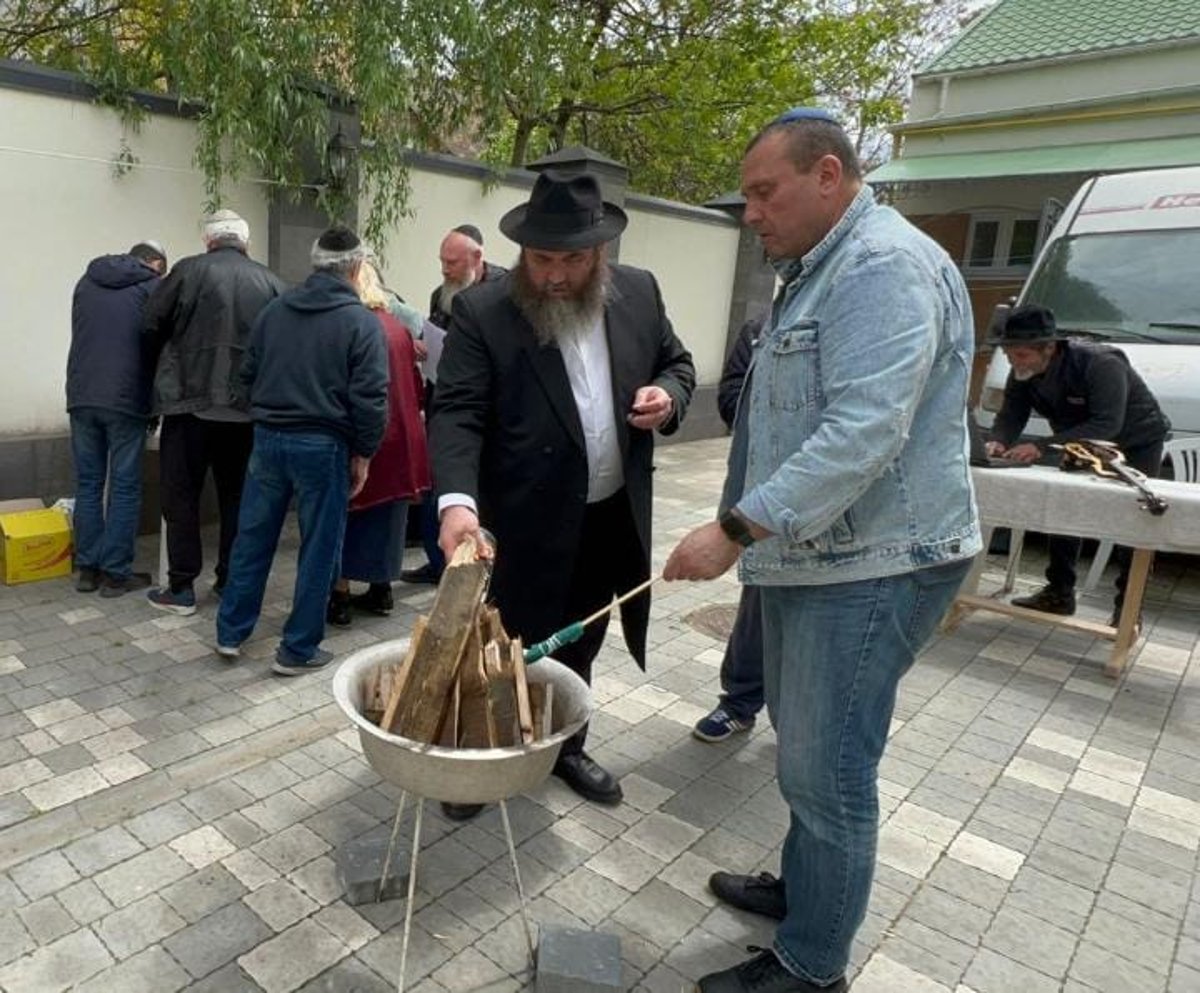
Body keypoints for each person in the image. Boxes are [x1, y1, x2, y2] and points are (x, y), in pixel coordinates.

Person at [663, 107, 980, 993]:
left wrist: (730, 530)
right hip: (822, 554)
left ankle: (813, 963)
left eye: (765, 192)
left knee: (830, 767)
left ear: (829, 175)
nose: (750, 213)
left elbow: (861, 434)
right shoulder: (815, 269)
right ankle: (806, 889)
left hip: (875, 562)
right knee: (804, 742)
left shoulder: (883, 267)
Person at [430, 171, 695, 816]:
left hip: (606, 518)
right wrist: (456, 501)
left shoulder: (639, 292)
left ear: (599, 253)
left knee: (580, 640)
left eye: (571, 260)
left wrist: (669, 398)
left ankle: (567, 745)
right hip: (521, 523)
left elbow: (678, 363)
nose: (554, 275)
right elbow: (457, 411)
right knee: (501, 647)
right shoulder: (484, 311)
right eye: (541, 258)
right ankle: (481, 757)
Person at [214, 225, 388, 674]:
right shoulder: (360, 322)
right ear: (356, 266)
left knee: (252, 537)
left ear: (314, 264)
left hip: (268, 439)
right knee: (318, 547)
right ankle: (298, 649)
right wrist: (364, 452)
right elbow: (370, 396)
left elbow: (244, 375)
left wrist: (266, 412)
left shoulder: (275, 311)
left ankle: (230, 632)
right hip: (323, 444)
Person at [986, 303, 1170, 625]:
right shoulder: (1022, 372)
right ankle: (1059, 592)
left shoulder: (1100, 363)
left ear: (1050, 348)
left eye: (1023, 355)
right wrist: (998, 440)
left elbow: (1106, 424)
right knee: (1065, 510)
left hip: (1135, 440)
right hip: (1076, 441)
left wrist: (1039, 447)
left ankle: (1127, 611)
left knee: (1134, 523)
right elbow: (1011, 414)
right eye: (1010, 354)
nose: (1015, 362)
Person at [143, 210, 286, 615]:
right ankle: (229, 580)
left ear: (209, 242)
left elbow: (150, 325)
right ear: (246, 244)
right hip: (246, 410)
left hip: (187, 403)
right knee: (238, 498)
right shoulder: (272, 282)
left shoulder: (187, 271)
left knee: (180, 494)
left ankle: (182, 588)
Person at [402, 223, 507, 587]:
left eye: (453, 263)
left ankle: (477, 566)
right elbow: (435, 332)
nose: (445, 270)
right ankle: (437, 562)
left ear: (477, 258)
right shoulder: (441, 294)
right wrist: (422, 345)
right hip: (442, 404)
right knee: (438, 490)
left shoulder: (504, 294)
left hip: (484, 415)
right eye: (442, 262)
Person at [327, 260, 430, 625]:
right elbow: (415, 388)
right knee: (388, 519)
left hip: (367, 435)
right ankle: (381, 589)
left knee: (348, 515)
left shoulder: (353, 327)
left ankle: (338, 595)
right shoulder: (397, 328)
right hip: (402, 437)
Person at [66, 240, 167, 596]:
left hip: (81, 396)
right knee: (124, 487)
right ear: (154, 263)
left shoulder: (86, 281)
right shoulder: (150, 287)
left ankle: (88, 570)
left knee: (88, 484)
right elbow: (157, 347)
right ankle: (116, 574)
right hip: (125, 399)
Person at [693, 317, 765, 742]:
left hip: (828, 517)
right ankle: (740, 701)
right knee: (759, 599)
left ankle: (803, 720)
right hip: (759, 492)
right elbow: (731, 397)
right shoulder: (758, 330)